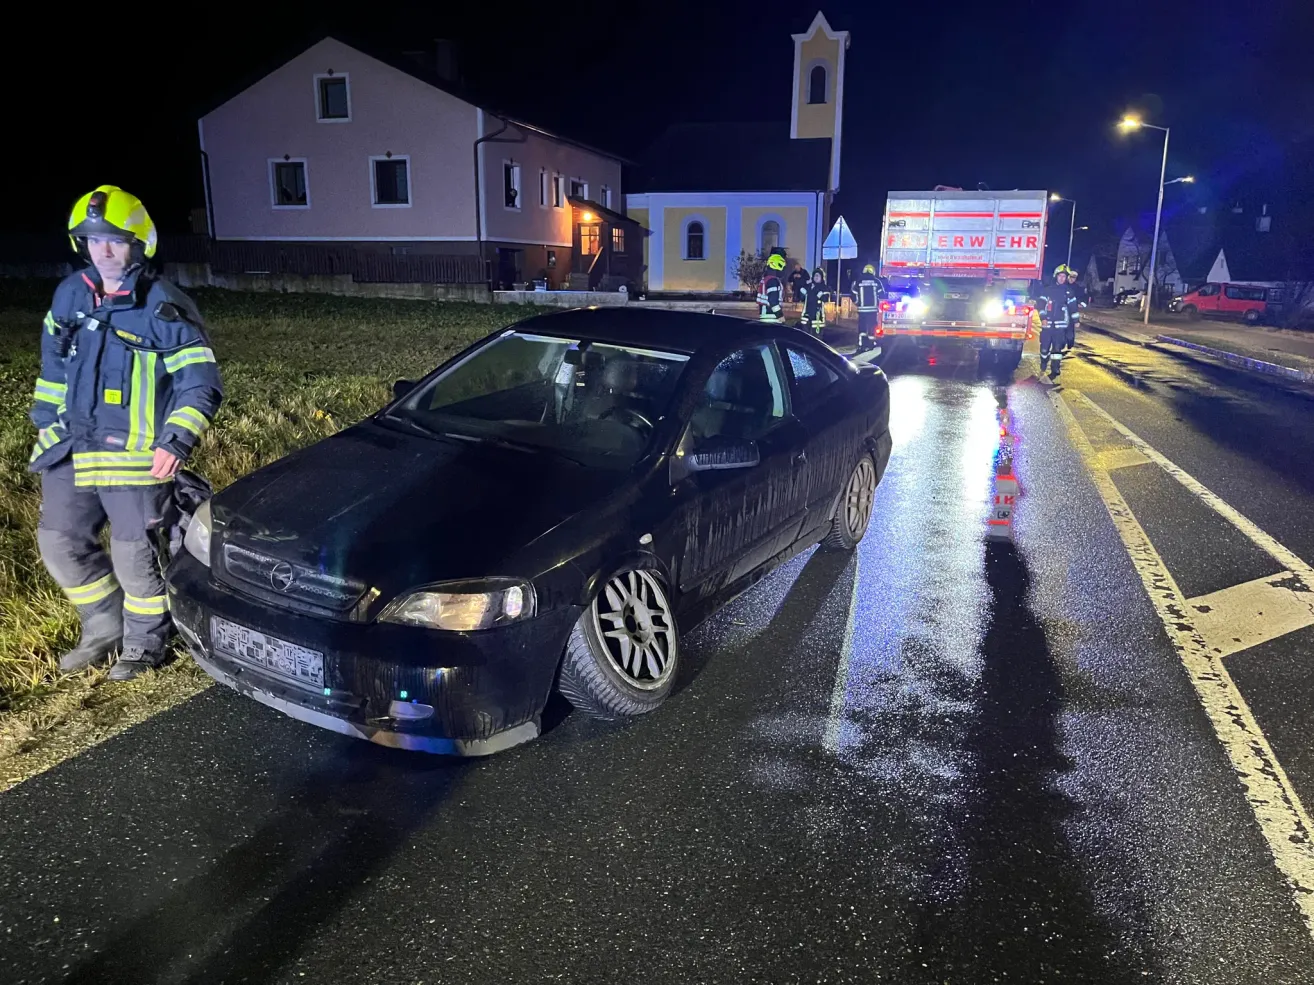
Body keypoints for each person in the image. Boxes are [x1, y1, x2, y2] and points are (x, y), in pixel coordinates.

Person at [30, 186, 224, 680]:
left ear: (139, 243)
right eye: (94, 241)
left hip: (136, 455)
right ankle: (103, 625)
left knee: (135, 551)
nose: (105, 251)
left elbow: (200, 382)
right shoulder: (70, 295)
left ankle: (144, 643)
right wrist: (45, 423)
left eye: (116, 240)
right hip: (73, 446)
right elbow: (53, 367)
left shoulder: (162, 304)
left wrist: (176, 439)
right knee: (57, 539)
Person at [1037, 264, 1075, 379]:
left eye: (1064, 277)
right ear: (1056, 276)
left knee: (1057, 349)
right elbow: (1040, 305)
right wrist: (1043, 318)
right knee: (1044, 348)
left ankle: (1055, 368)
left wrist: (1076, 320)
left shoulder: (1068, 291)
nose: (1062, 279)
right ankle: (1044, 362)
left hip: (1060, 326)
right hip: (1047, 325)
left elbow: (1073, 307)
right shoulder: (1047, 290)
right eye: (1060, 276)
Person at [852, 262, 885, 350]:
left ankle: (862, 344)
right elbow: (882, 294)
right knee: (872, 326)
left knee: (862, 327)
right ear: (872, 271)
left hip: (862, 309)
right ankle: (871, 344)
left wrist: (857, 302)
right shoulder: (876, 281)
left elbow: (853, 293)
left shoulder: (858, 281)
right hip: (873, 310)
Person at [798, 267, 832, 336]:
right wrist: (802, 292)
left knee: (816, 338)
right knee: (805, 337)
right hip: (806, 316)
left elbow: (825, 298)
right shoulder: (808, 286)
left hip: (818, 318)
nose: (816, 277)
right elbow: (801, 297)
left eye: (818, 275)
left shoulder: (824, 288)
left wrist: (816, 291)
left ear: (822, 277)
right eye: (815, 275)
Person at [757, 250, 787, 322]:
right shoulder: (773, 281)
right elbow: (773, 301)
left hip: (765, 315)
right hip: (771, 317)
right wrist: (781, 317)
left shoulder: (766, 279)